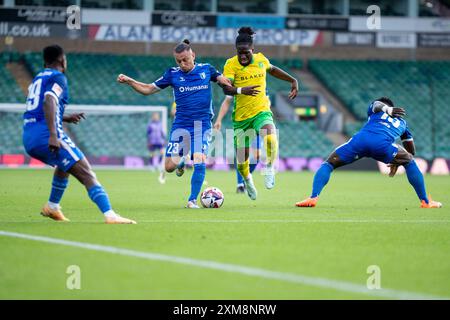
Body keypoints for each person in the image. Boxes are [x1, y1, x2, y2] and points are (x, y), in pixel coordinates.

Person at [117, 39, 258, 208]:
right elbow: (148, 89)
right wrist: (130, 81)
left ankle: (191, 200)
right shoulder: (172, 74)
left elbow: (225, 81)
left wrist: (237, 85)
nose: (182, 64)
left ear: (193, 55)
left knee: (200, 160)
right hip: (181, 126)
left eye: (185, 59)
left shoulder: (206, 69)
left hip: (202, 125)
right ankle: (182, 161)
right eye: (179, 61)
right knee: (169, 167)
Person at [22, 45, 136, 224]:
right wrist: (53, 135)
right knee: (86, 172)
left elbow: (38, 106)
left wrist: (65, 117)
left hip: (29, 136)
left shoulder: (38, 78)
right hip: (47, 134)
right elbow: (49, 100)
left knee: (64, 165)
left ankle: (52, 206)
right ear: (62, 60)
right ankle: (110, 215)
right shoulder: (58, 77)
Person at [295, 97, 442, 209]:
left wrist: (387, 110)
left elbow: (377, 105)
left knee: (328, 164)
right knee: (410, 162)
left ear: (386, 107)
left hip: (361, 141)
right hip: (383, 146)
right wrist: (400, 158)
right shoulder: (403, 123)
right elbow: (411, 151)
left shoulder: (376, 110)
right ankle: (425, 201)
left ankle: (313, 197)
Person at [223, 26, 299, 200]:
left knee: (271, 138)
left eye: (246, 52)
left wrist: (293, 80)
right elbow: (226, 89)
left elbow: (272, 69)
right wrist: (242, 90)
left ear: (252, 49)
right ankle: (247, 180)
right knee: (242, 162)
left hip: (261, 112)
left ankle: (270, 168)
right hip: (241, 119)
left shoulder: (260, 60)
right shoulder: (230, 64)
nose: (242, 56)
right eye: (239, 52)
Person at [214, 95, 261, 193]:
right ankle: (240, 185)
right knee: (242, 156)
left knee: (257, 156)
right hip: (242, 123)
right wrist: (219, 119)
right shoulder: (237, 82)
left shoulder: (261, 85)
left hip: (256, 122)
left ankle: (246, 179)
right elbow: (227, 101)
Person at [147, 112, 166, 184]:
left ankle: (158, 164)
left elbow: (162, 132)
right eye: (154, 116)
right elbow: (148, 133)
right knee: (152, 154)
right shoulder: (150, 124)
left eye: (157, 116)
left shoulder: (160, 124)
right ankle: (151, 165)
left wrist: (164, 139)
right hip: (152, 141)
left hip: (159, 141)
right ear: (152, 117)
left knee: (162, 152)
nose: (156, 117)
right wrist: (148, 141)